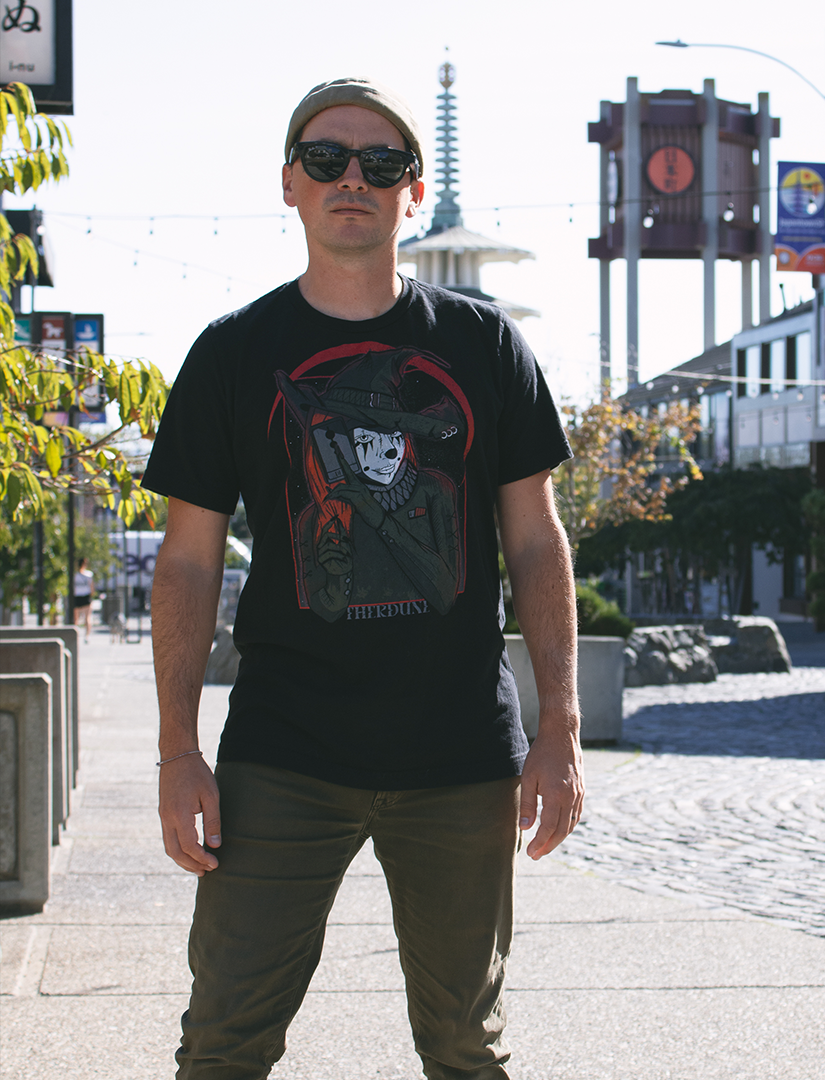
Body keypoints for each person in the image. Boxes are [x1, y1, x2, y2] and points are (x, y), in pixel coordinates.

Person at [142, 77, 583, 1080]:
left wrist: (560, 725)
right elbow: (188, 560)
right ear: (289, 183)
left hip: (460, 754)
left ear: (412, 192)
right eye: (327, 157)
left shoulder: (484, 345)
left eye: (381, 163)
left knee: (467, 1046)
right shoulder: (232, 353)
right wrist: (176, 752)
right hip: (283, 752)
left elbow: (536, 541)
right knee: (223, 1040)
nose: (354, 177)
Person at [72, 557, 94, 643]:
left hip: (77, 596)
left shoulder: (75, 575)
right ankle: (87, 636)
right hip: (85, 596)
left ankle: (76, 636)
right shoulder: (88, 575)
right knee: (87, 617)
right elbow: (92, 587)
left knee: (76, 618)